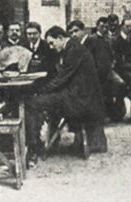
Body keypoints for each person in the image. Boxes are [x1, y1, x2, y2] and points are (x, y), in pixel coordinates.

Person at [25, 24, 105, 163]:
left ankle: (34, 146)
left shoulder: (74, 50)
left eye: (52, 43)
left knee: (32, 103)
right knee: (42, 99)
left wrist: (39, 90)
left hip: (79, 99)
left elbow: (62, 78)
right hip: (79, 95)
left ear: (61, 38)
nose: (50, 47)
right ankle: (42, 142)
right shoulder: (72, 47)